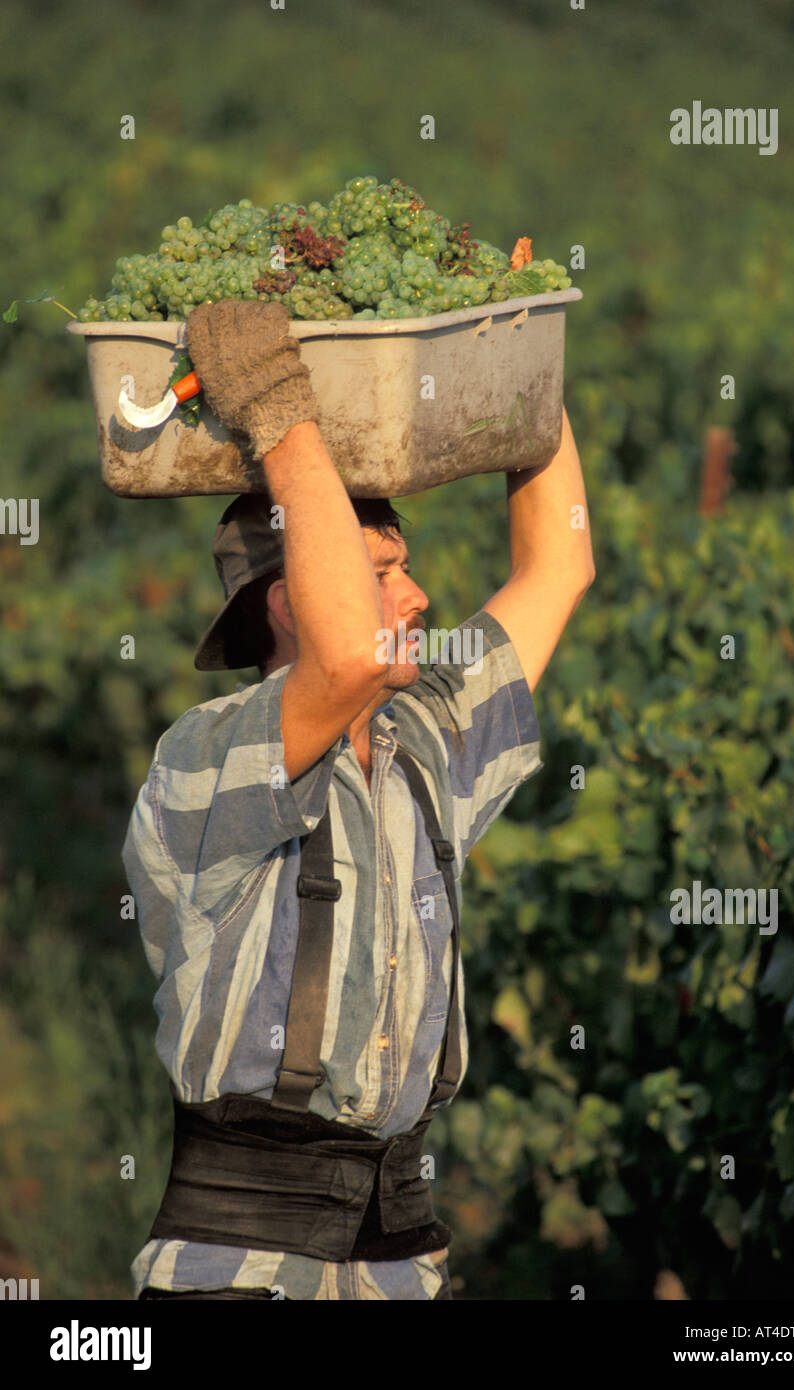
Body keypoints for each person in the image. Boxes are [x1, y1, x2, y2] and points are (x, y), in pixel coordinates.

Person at [122, 300, 595, 1300]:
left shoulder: (420, 740)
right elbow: (342, 659)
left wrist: (524, 371)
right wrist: (282, 412)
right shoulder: (207, 759)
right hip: (242, 1268)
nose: (419, 596)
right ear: (289, 595)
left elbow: (561, 563)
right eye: (384, 572)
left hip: (398, 1261)